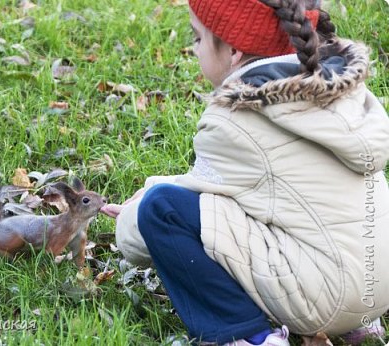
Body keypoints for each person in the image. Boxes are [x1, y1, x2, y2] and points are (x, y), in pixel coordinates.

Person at [101, 0, 389, 345]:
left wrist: (132, 218)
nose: (193, 50)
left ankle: (248, 336)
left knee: (162, 209)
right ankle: (360, 328)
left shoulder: (236, 120)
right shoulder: (343, 92)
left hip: (323, 300)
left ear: (234, 50)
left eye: (197, 39)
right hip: (377, 288)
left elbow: (179, 209)